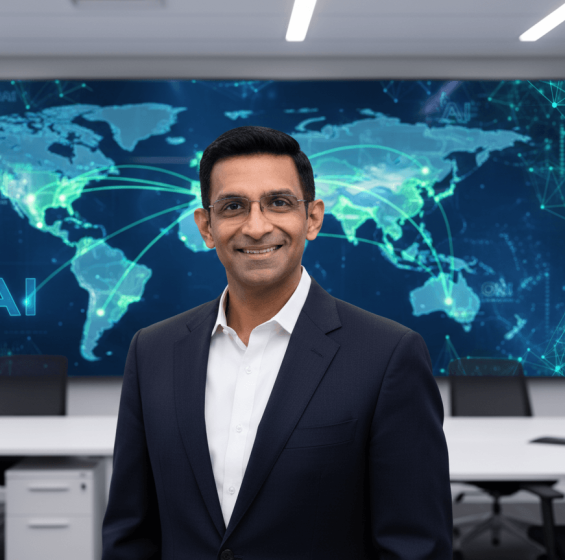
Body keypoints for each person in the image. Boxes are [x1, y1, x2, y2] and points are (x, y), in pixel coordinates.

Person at [102, 126, 452, 559]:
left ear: (312, 219)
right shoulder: (151, 351)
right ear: (206, 227)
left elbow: (414, 546)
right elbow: (130, 533)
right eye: (233, 207)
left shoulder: (387, 356)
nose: (256, 226)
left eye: (279, 203)